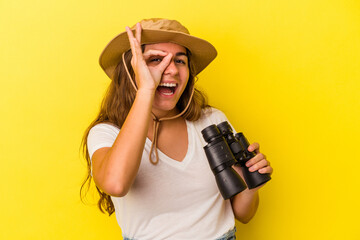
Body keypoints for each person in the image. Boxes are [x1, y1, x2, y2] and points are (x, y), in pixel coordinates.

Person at [81, 18, 273, 240]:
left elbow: (243, 214)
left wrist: (253, 181)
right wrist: (146, 90)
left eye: (180, 61)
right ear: (132, 69)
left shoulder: (211, 120)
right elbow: (115, 184)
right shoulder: (107, 133)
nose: (171, 70)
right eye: (156, 59)